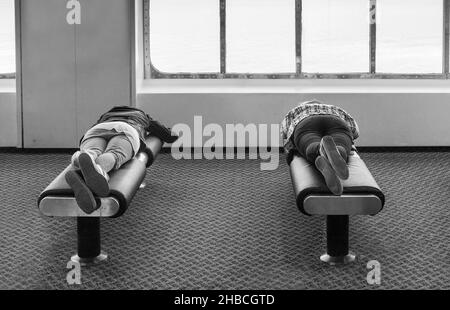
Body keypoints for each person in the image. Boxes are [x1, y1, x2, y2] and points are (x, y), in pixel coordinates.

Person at [65, 106, 178, 214]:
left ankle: (84, 159)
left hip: (98, 129)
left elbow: (82, 139)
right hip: (126, 130)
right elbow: (167, 135)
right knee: (115, 154)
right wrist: (175, 133)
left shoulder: (106, 116)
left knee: (92, 151)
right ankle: (101, 172)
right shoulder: (141, 115)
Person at [281, 100, 360, 195]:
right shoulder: (335, 108)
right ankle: (338, 151)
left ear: (304, 105)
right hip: (336, 120)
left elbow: (285, 132)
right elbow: (355, 131)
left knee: (310, 145)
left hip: (306, 122)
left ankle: (320, 150)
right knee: (341, 144)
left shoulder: (297, 110)